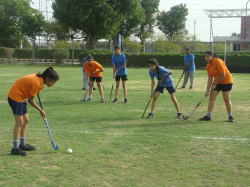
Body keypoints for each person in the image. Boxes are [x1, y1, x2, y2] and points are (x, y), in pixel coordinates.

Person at [8, 67, 59, 156]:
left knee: (26, 120)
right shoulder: (37, 83)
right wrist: (40, 110)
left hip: (22, 96)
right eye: (53, 82)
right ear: (47, 79)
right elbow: (30, 101)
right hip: (16, 96)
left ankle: (22, 144)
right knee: (19, 122)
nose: (53, 84)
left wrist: (36, 90)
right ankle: (15, 148)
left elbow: (31, 86)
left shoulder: (40, 79)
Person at [199, 50, 234, 122]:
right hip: (217, 82)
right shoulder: (208, 65)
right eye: (205, 56)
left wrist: (215, 84)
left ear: (212, 56)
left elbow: (223, 75)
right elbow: (210, 78)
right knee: (212, 98)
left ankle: (230, 116)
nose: (206, 58)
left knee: (226, 99)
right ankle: (208, 116)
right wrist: (207, 90)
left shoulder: (218, 61)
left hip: (226, 81)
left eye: (208, 56)